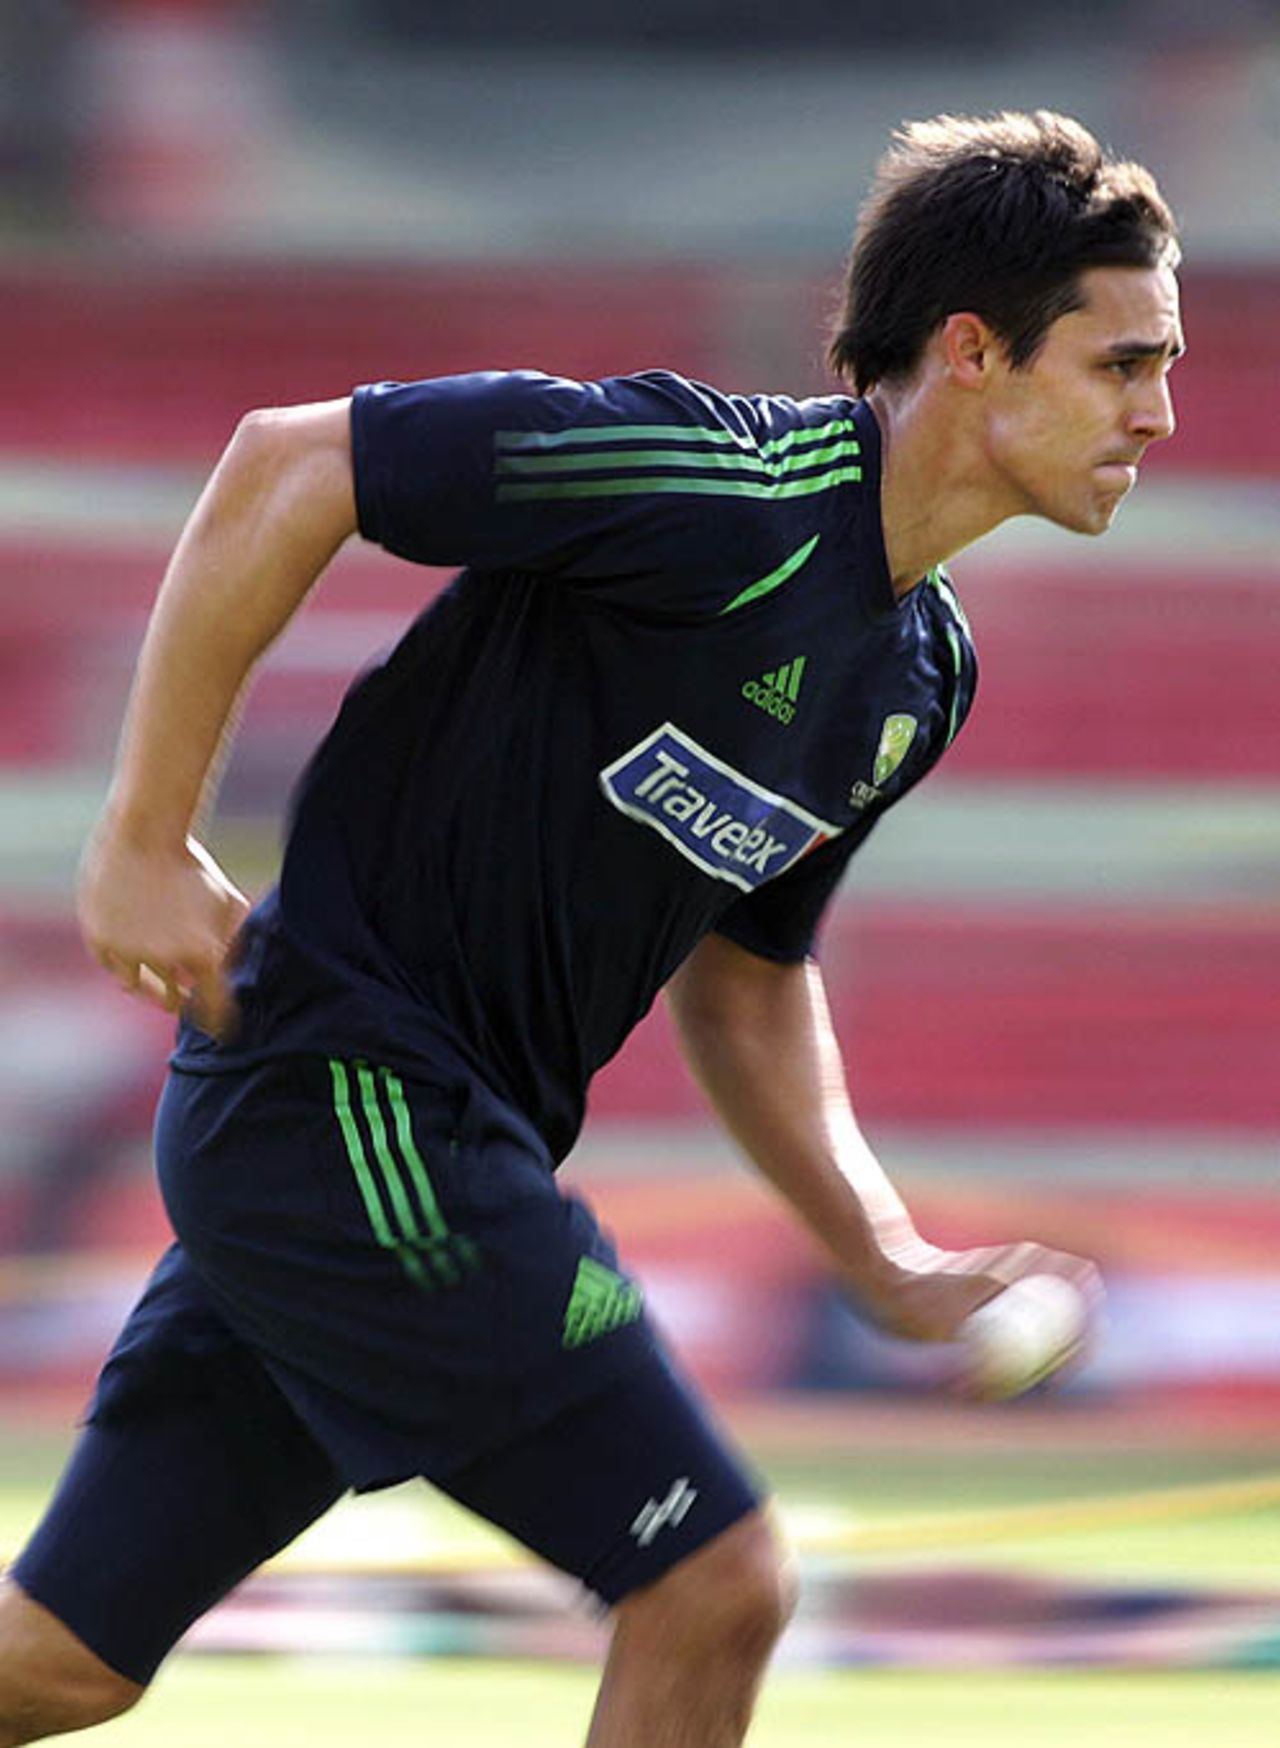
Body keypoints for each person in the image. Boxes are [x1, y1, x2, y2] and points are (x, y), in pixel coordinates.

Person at [0, 108, 1181, 1747]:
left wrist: (888, 1263)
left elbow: (753, 982)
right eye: (1122, 363)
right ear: (974, 353)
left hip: (382, 1145)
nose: (1160, 412)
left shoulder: (923, 676)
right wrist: (140, 842)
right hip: (343, 1100)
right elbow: (290, 459)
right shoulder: (715, 481)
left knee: (57, 1665)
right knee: (718, 1583)